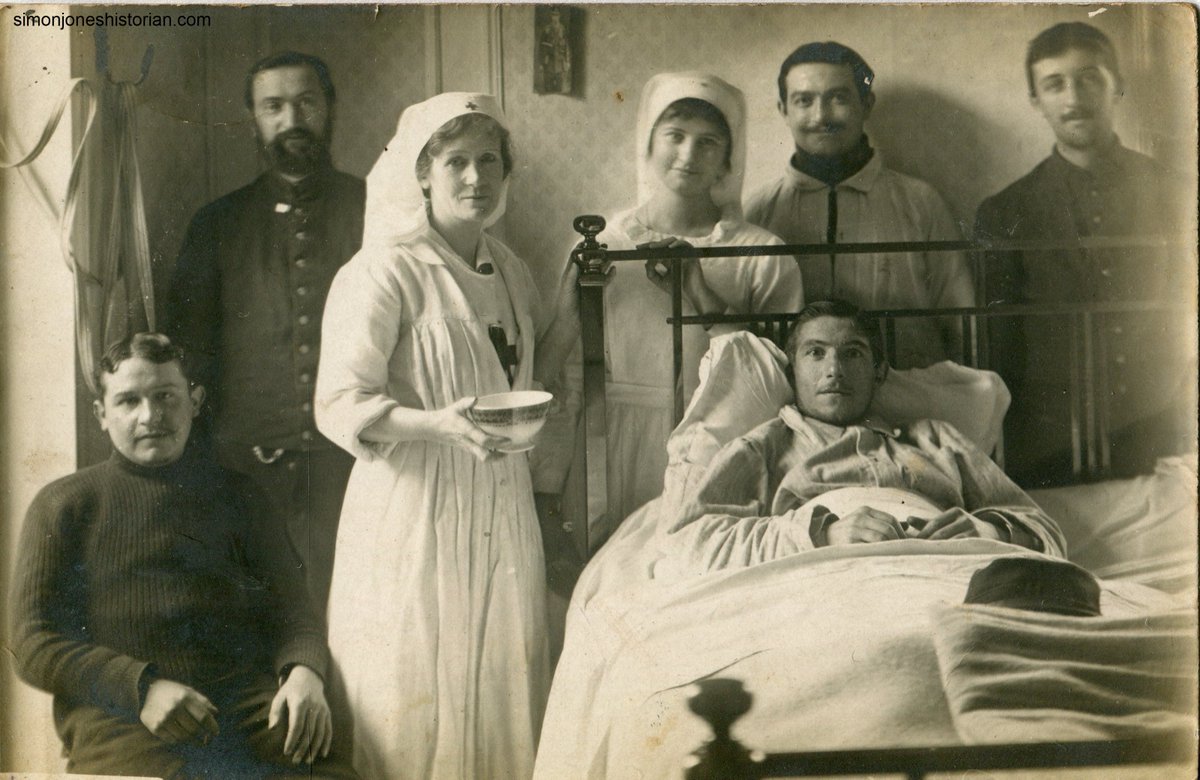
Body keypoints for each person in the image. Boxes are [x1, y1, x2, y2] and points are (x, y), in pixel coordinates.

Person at [314, 93, 578, 779]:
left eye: (488, 160)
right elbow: (340, 403)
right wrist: (438, 425)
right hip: (413, 508)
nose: (474, 178)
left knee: (499, 689)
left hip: (498, 503)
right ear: (422, 173)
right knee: (413, 688)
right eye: (455, 161)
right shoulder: (382, 270)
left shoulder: (512, 270)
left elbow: (521, 374)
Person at [9, 333, 356, 779]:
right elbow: (31, 643)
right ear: (101, 414)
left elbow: (293, 609)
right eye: (128, 401)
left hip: (245, 713)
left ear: (195, 401)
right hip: (124, 719)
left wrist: (304, 671)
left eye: (166, 397)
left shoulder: (241, 495)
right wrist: (141, 687)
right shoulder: (64, 505)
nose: (150, 416)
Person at [545, 72, 805, 544]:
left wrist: (704, 296)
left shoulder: (760, 253)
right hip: (611, 444)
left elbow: (777, 378)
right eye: (675, 136)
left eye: (708, 143)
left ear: (729, 158)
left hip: (717, 448)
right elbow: (564, 372)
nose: (688, 155)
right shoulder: (604, 246)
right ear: (649, 141)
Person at [166, 51, 364, 614]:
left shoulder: (375, 212)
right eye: (273, 106)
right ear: (252, 117)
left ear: (329, 109)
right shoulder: (216, 225)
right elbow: (189, 359)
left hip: (354, 470)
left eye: (306, 102)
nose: (291, 119)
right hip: (247, 474)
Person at [661, 301, 1065, 574]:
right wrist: (822, 534)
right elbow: (689, 548)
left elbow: (1044, 532)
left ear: (879, 372)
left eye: (852, 353)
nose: (834, 369)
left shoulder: (935, 439)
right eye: (815, 353)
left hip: (947, 571)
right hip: (829, 578)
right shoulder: (764, 446)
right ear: (791, 374)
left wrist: (983, 532)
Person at [973, 22, 1194, 486]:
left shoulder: (1177, 192)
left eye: (1089, 78)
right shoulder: (1004, 212)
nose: (1073, 98)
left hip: (1163, 433)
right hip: (1051, 446)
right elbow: (1001, 353)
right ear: (1035, 100)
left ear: (1117, 86)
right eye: (1054, 84)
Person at [745, 42, 974, 368]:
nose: (821, 116)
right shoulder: (759, 212)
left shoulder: (920, 202)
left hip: (912, 402)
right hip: (793, 408)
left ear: (867, 104)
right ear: (783, 109)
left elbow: (964, 324)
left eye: (838, 98)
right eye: (804, 101)